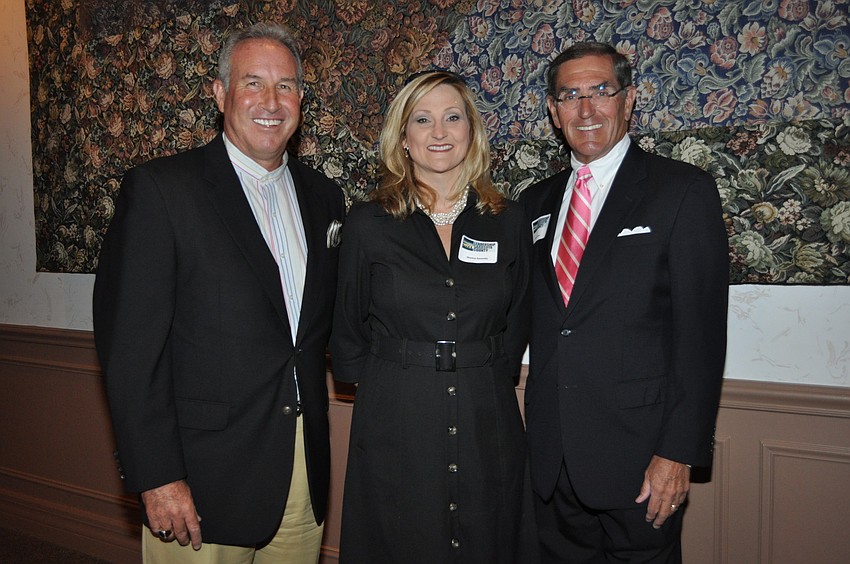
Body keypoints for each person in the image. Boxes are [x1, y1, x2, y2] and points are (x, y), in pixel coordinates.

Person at [93, 22, 345, 563]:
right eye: (253, 83)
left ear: (301, 98)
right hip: (201, 478)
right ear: (219, 92)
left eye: (285, 86)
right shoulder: (162, 191)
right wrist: (157, 476)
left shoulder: (325, 198)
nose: (271, 101)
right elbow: (131, 353)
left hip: (302, 472)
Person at [519, 42, 728, 563]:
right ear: (553, 111)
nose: (585, 109)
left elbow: (701, 339)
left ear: (628, 99)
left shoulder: (681, 190)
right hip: (551, 462)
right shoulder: (534, 202)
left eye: (600, 91)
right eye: (569, 96)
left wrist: (677, 453)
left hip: (640, 463)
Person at [330, 71, 532, 563]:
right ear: (403, 136)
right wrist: (384, 383)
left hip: (486, 411)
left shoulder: (508, 220)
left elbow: (521, 315)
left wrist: (485, 370)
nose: (439, 132)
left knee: (487, 537)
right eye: (423, 120)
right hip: (398, 409)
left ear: (471, 131)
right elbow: (347, 326)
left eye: (452, 117)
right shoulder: (368, 223)